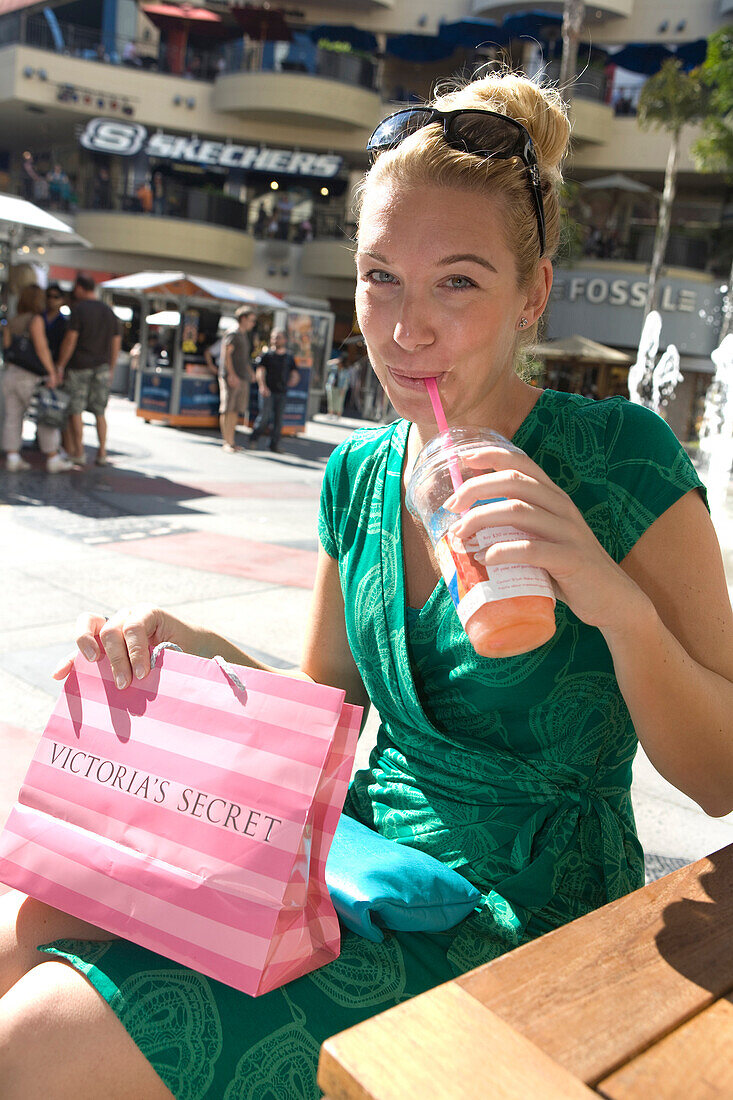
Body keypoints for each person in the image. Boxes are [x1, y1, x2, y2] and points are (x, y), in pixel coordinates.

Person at [2, 71, 733, 1100]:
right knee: (28, 924)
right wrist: (188, 640)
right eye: (380, 275)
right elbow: (328, 707)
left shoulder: (620, 455)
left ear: (533, 293)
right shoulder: (358, 473)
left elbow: (721, 779)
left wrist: (610, 598)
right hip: (360, 857)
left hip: (521, 905)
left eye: (458, 283)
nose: (403, 329)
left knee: (35, 1038)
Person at [1, 283, 73, 473]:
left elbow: (7, 348)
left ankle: (13, 456)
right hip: (30, 375)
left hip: (11, 374)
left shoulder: (13, 320)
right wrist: (52, 372)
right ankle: (52, 457)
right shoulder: (35, 320)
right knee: (45, 416)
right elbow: (42, 349)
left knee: (12, 416)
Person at [56, 273, 122, 467]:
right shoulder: (108, 311)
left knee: (76, 409)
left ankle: (79, 451)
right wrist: (111, 367)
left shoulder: (79, 310)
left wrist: (60, 364)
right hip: (101, 367)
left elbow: (70, 340)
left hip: (79, 366)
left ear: (79, 288)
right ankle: (102, 451)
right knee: (99, 411)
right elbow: (116, 343)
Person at [248, 328, 299, 453]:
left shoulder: (288, 357)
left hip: (281, 391)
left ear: (284, 340)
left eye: (278, 337)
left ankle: (274, 445)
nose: (275, 340)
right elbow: (260, 371)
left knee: (278, 420)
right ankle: (253, 439)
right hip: (268, 391)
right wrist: (262, 386)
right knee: (264, 417)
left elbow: (294, 372)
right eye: (273, 337)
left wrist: (294, 380)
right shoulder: (267, 355)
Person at [218, 308, 256, 453]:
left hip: (241, 376)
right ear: (244, 318)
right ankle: (226, 442)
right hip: (231, 377)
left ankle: (231, 441)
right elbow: (226, 355)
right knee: (227, 408)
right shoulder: (233, 333)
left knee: (235, 410)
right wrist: (231, 374)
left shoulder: (243, 334)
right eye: (252, 320)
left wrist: (250, 373)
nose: (253, 324)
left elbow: (243, 358)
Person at [325, 350, 349, 418]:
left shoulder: (345, 371)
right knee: (331, 400)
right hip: (332, 386)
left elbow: (346, 381)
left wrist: (344, 389)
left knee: (339, 401)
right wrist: (334, 360)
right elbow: (327, 364)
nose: (338, 364)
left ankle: (338, 415)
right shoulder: (334, 369)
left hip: (340, 388)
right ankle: (330, 413)